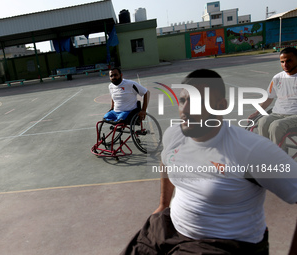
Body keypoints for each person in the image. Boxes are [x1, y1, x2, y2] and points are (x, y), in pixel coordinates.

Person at [120, 69, 297, 255]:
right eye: (183, 100)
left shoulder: (251, 150)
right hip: (168, 226)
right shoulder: (174, 135)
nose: (185, 109)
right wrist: (164, 204)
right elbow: (166, 161)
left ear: (221, 106)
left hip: (222, 243)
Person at [248, 47, 297, 151]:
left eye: (289, 60)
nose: (285, 64)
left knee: (276, 126)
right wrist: (257, 113)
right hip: (277, 113)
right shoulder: (277, 78)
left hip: (295, 115)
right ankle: (267, 154)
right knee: (262, 122)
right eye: (282, 61)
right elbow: (269, 98)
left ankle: (280, 159)